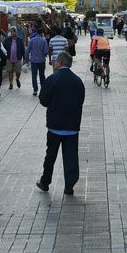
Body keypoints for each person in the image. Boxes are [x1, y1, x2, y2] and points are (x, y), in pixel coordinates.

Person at [36, 51, 85, 195]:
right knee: (71, 156)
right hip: (72, 126)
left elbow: (43, 100)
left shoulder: (52, 79)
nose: (55, 63)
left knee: (50, 155)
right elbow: (81, 100)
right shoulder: (77, 81)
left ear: (59, 63)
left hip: (55, 126)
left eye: (56, 61)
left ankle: (45, 182)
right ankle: (69, 185)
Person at [26, 26, 50, 96]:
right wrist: (44, 54)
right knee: (42, 75)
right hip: (42, 61)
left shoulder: (32, 40)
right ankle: (42, 89)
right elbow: (46, 51)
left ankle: (35, 90)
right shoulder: (44, 41)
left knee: (34, 75)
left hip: (34, 61)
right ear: (42, 33)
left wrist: (26, 59)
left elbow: (27, 51)